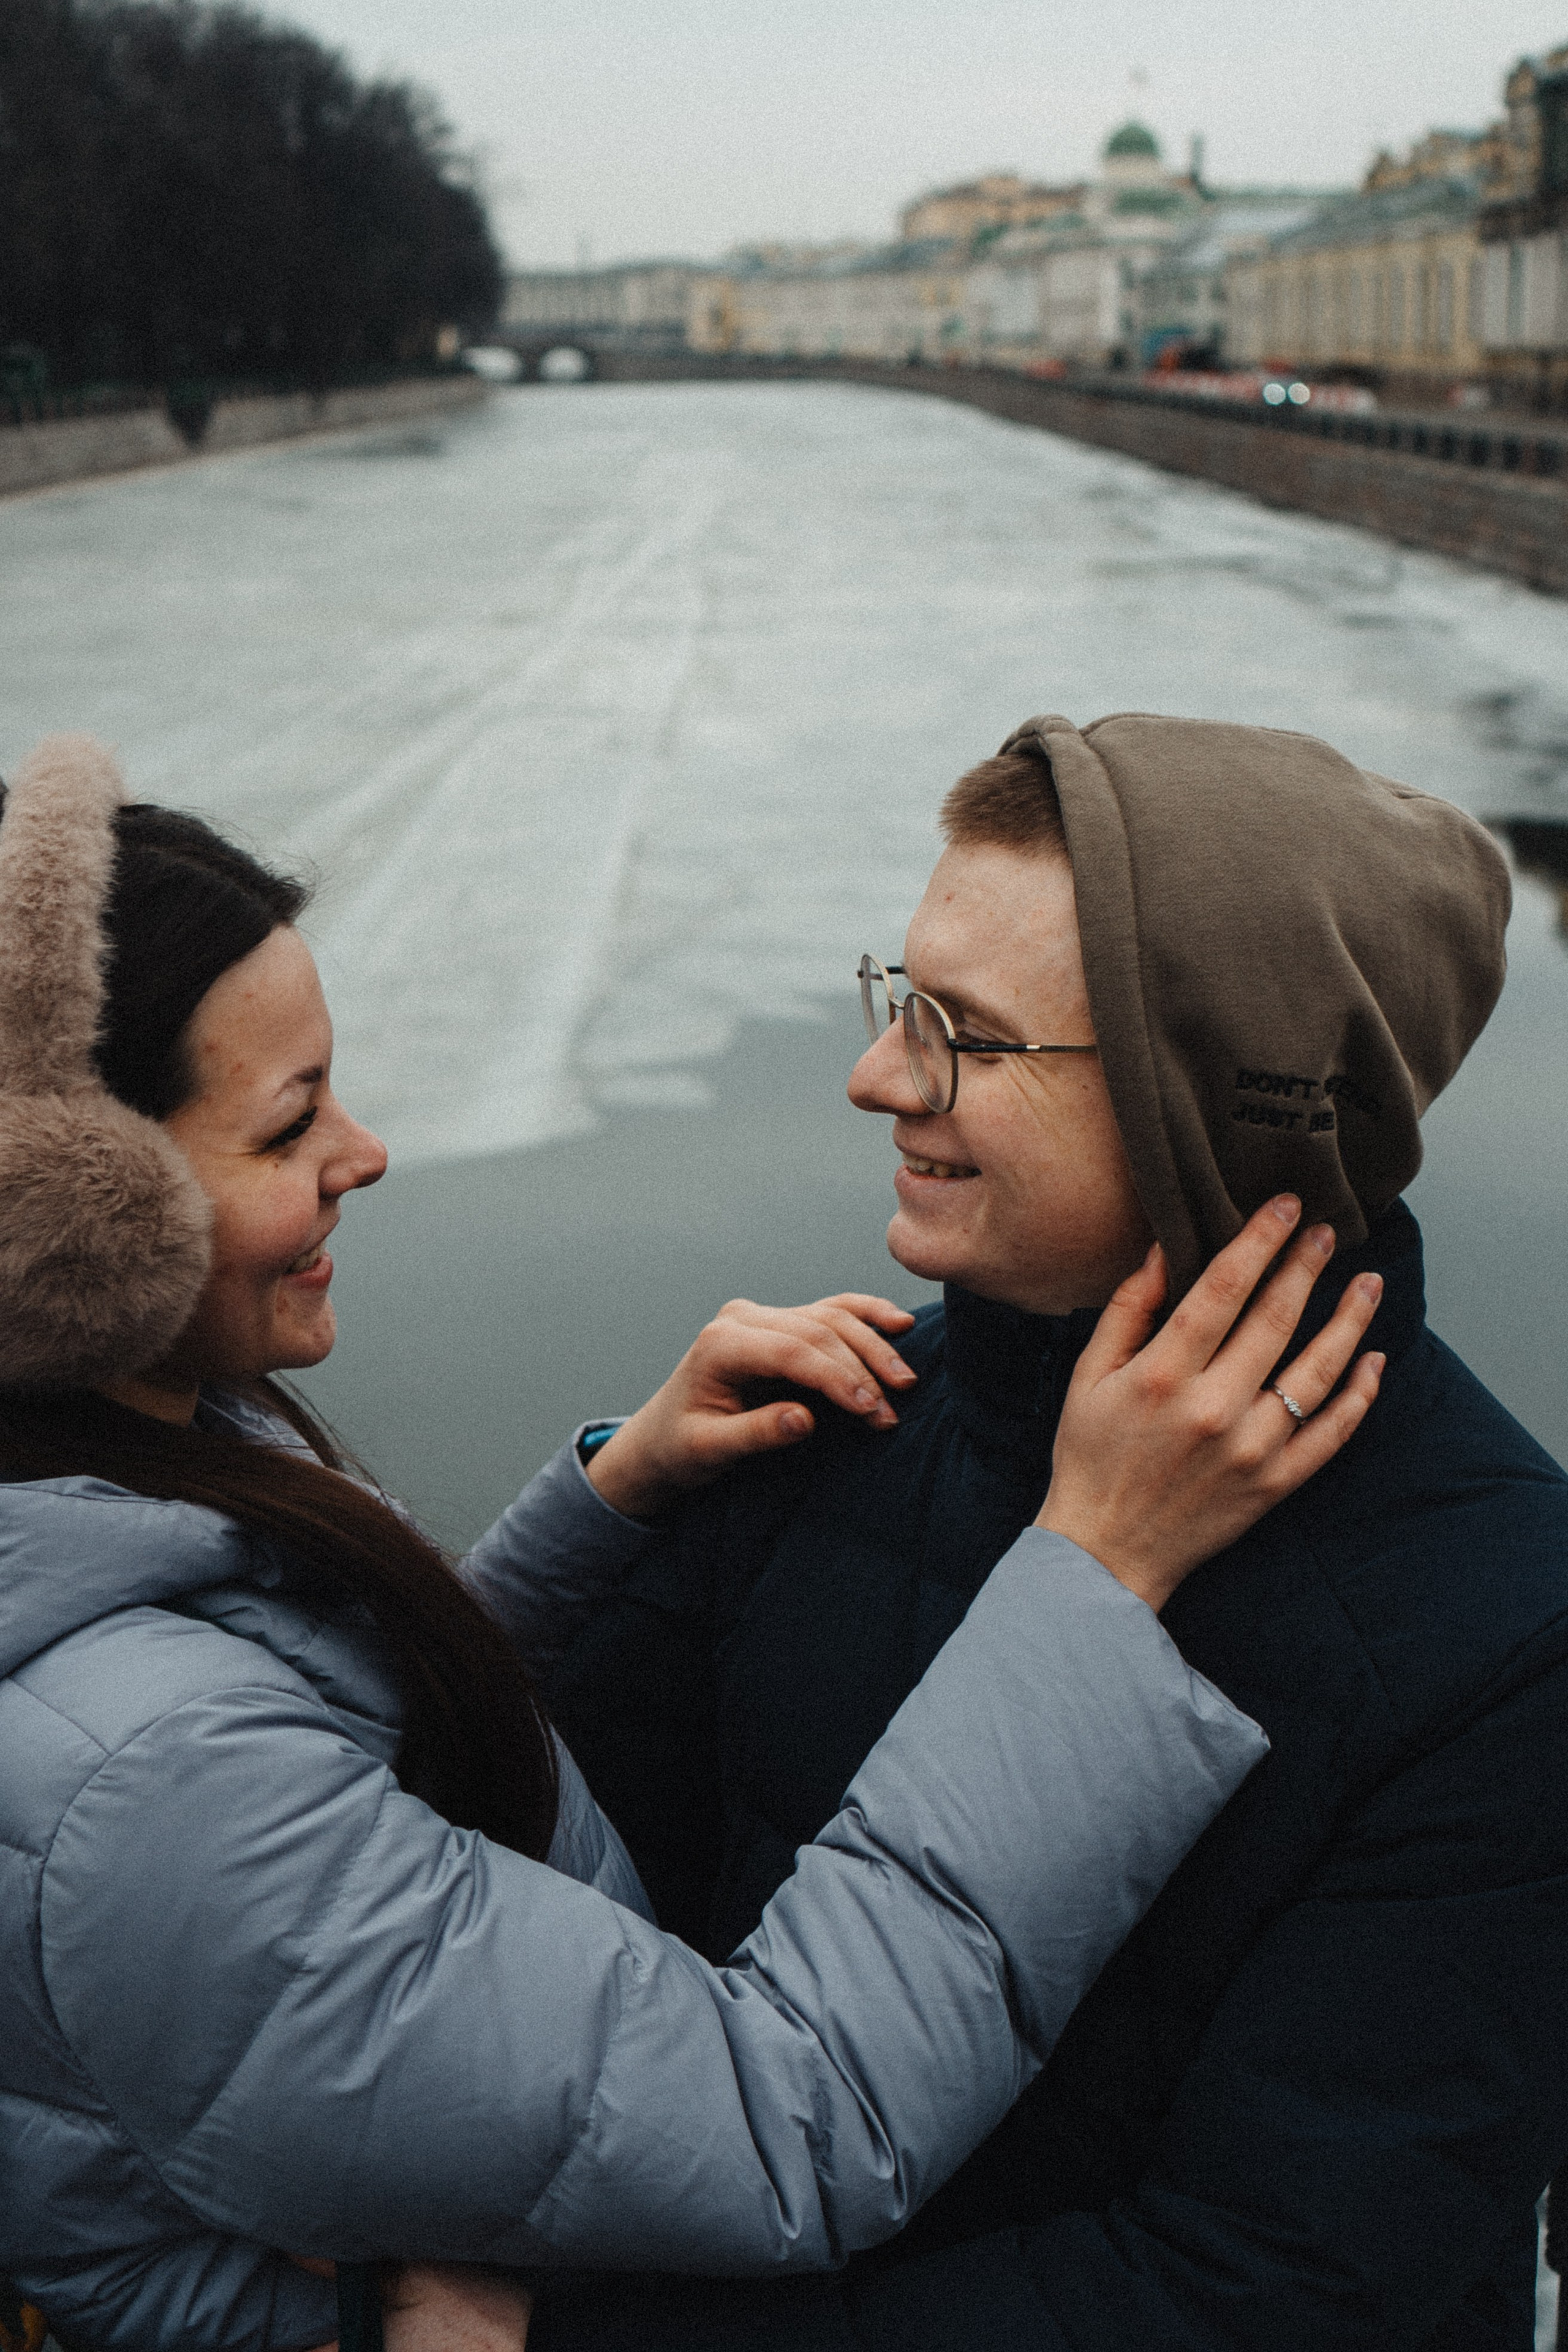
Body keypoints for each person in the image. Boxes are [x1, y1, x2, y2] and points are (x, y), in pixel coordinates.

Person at [0, 734, 1382, 2352]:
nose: (362, 1153)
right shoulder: (155, 1786)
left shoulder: (118, 1459)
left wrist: (607, 1504)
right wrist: (1096, 1573)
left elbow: (327, 1746)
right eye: (290, 1123)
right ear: (83, 1221)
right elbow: (790, 2119)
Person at [542, 712, 1568, 2352]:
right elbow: (537, 1919)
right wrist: (609, 1505)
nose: (880, 1078)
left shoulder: (1508, 1632)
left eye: (967, 1037)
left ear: (1215, 1112)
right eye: (902, 999)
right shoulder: (819, 1422)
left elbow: (1266, 2287)